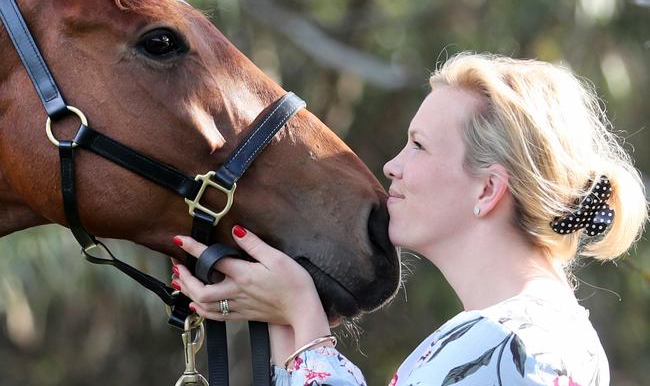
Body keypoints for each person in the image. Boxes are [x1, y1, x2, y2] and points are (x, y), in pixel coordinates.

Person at [171, 53, 647, 385]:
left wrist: (304, 317)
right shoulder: (540, 332)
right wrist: (284, 316)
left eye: (419, 145)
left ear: (487, 189)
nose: (392, 166)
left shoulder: (507, 343)